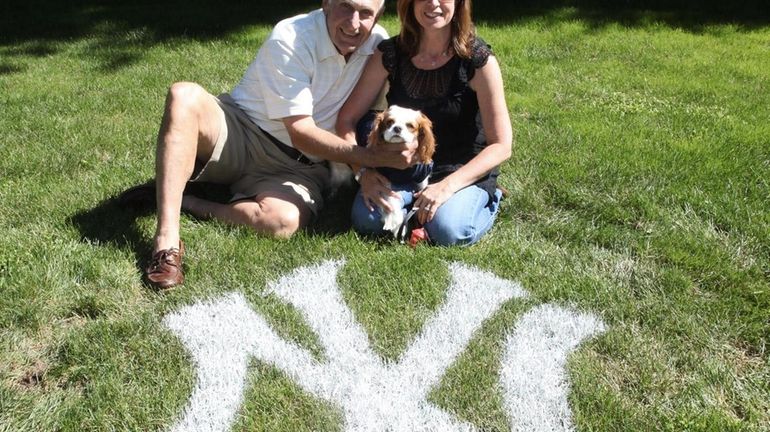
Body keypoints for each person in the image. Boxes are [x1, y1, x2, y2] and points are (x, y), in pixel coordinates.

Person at [129, 0, 420, 289]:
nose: (354, 23)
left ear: (379, 16)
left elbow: (369, 118)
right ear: (327, 4)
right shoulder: (292, 36)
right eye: (345, 7)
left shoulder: (378, 48)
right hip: (243, 132)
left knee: (282, 223)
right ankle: (166, 243)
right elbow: (300, 132)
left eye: (366, 13)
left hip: (301, 168)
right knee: (184, 96)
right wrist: (367, 160)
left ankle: (188, 200)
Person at [336, 0, 512, 246]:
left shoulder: (477, 59)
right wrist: (363, 171)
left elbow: (502, 145)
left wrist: (447, 187)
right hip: (399, 168)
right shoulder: (390, 54)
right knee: (367, 221)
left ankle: (489, 198)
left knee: (449, 231)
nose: (433, 4)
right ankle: (417, 213)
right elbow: (347, 119)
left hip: (460, 169)